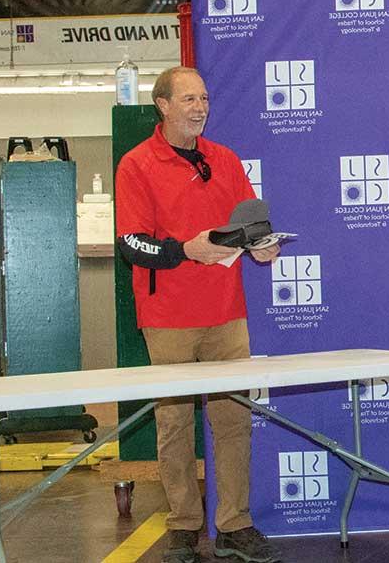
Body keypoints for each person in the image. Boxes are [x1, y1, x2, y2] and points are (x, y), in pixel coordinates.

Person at [116, 66, 281, 563]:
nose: (200, 107)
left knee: (233, 419)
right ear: (162, 105)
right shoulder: (136, 164)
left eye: (204, 98)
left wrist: (262, 246)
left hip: (226, 311)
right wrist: (185, 250)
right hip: (167, 314)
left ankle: (234, 524)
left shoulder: (225, 159)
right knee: (174, 423)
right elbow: (131, 243)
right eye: (188, 99)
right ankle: (184, 525)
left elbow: (250, 224)